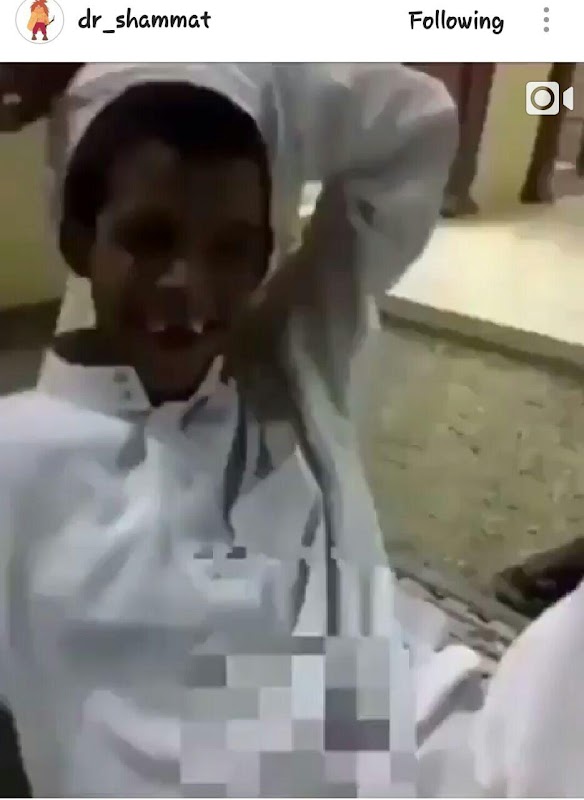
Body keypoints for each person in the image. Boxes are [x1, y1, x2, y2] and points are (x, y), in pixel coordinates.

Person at [0, 64, 496, 796]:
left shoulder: (285, 370)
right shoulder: (17, 457)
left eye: (230, 248)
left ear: (265, 258)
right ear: (78, 241)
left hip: (412, 746)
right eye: (149, 238)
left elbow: (418, 126)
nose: (188, 285)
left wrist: (201, 69)